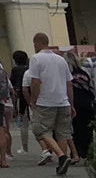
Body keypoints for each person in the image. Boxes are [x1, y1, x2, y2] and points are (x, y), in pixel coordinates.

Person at [28, 33, 77, 175]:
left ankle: (61, 156)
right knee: (62, 133)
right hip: (63, 101)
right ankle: (63, 162)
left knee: (41, 130)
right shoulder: (60, 59)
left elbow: (35, 82)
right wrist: (71, 104)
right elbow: (69, 84)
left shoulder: (36, 58)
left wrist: (33, 100)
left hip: (45, 101)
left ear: (37, 43)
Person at [12, 51, 32, 157]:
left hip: (21, 97)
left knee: (24, 125)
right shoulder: (30, 69)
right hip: (33, 96)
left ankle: (25, 147)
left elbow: (12, 83)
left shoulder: (15, 70)